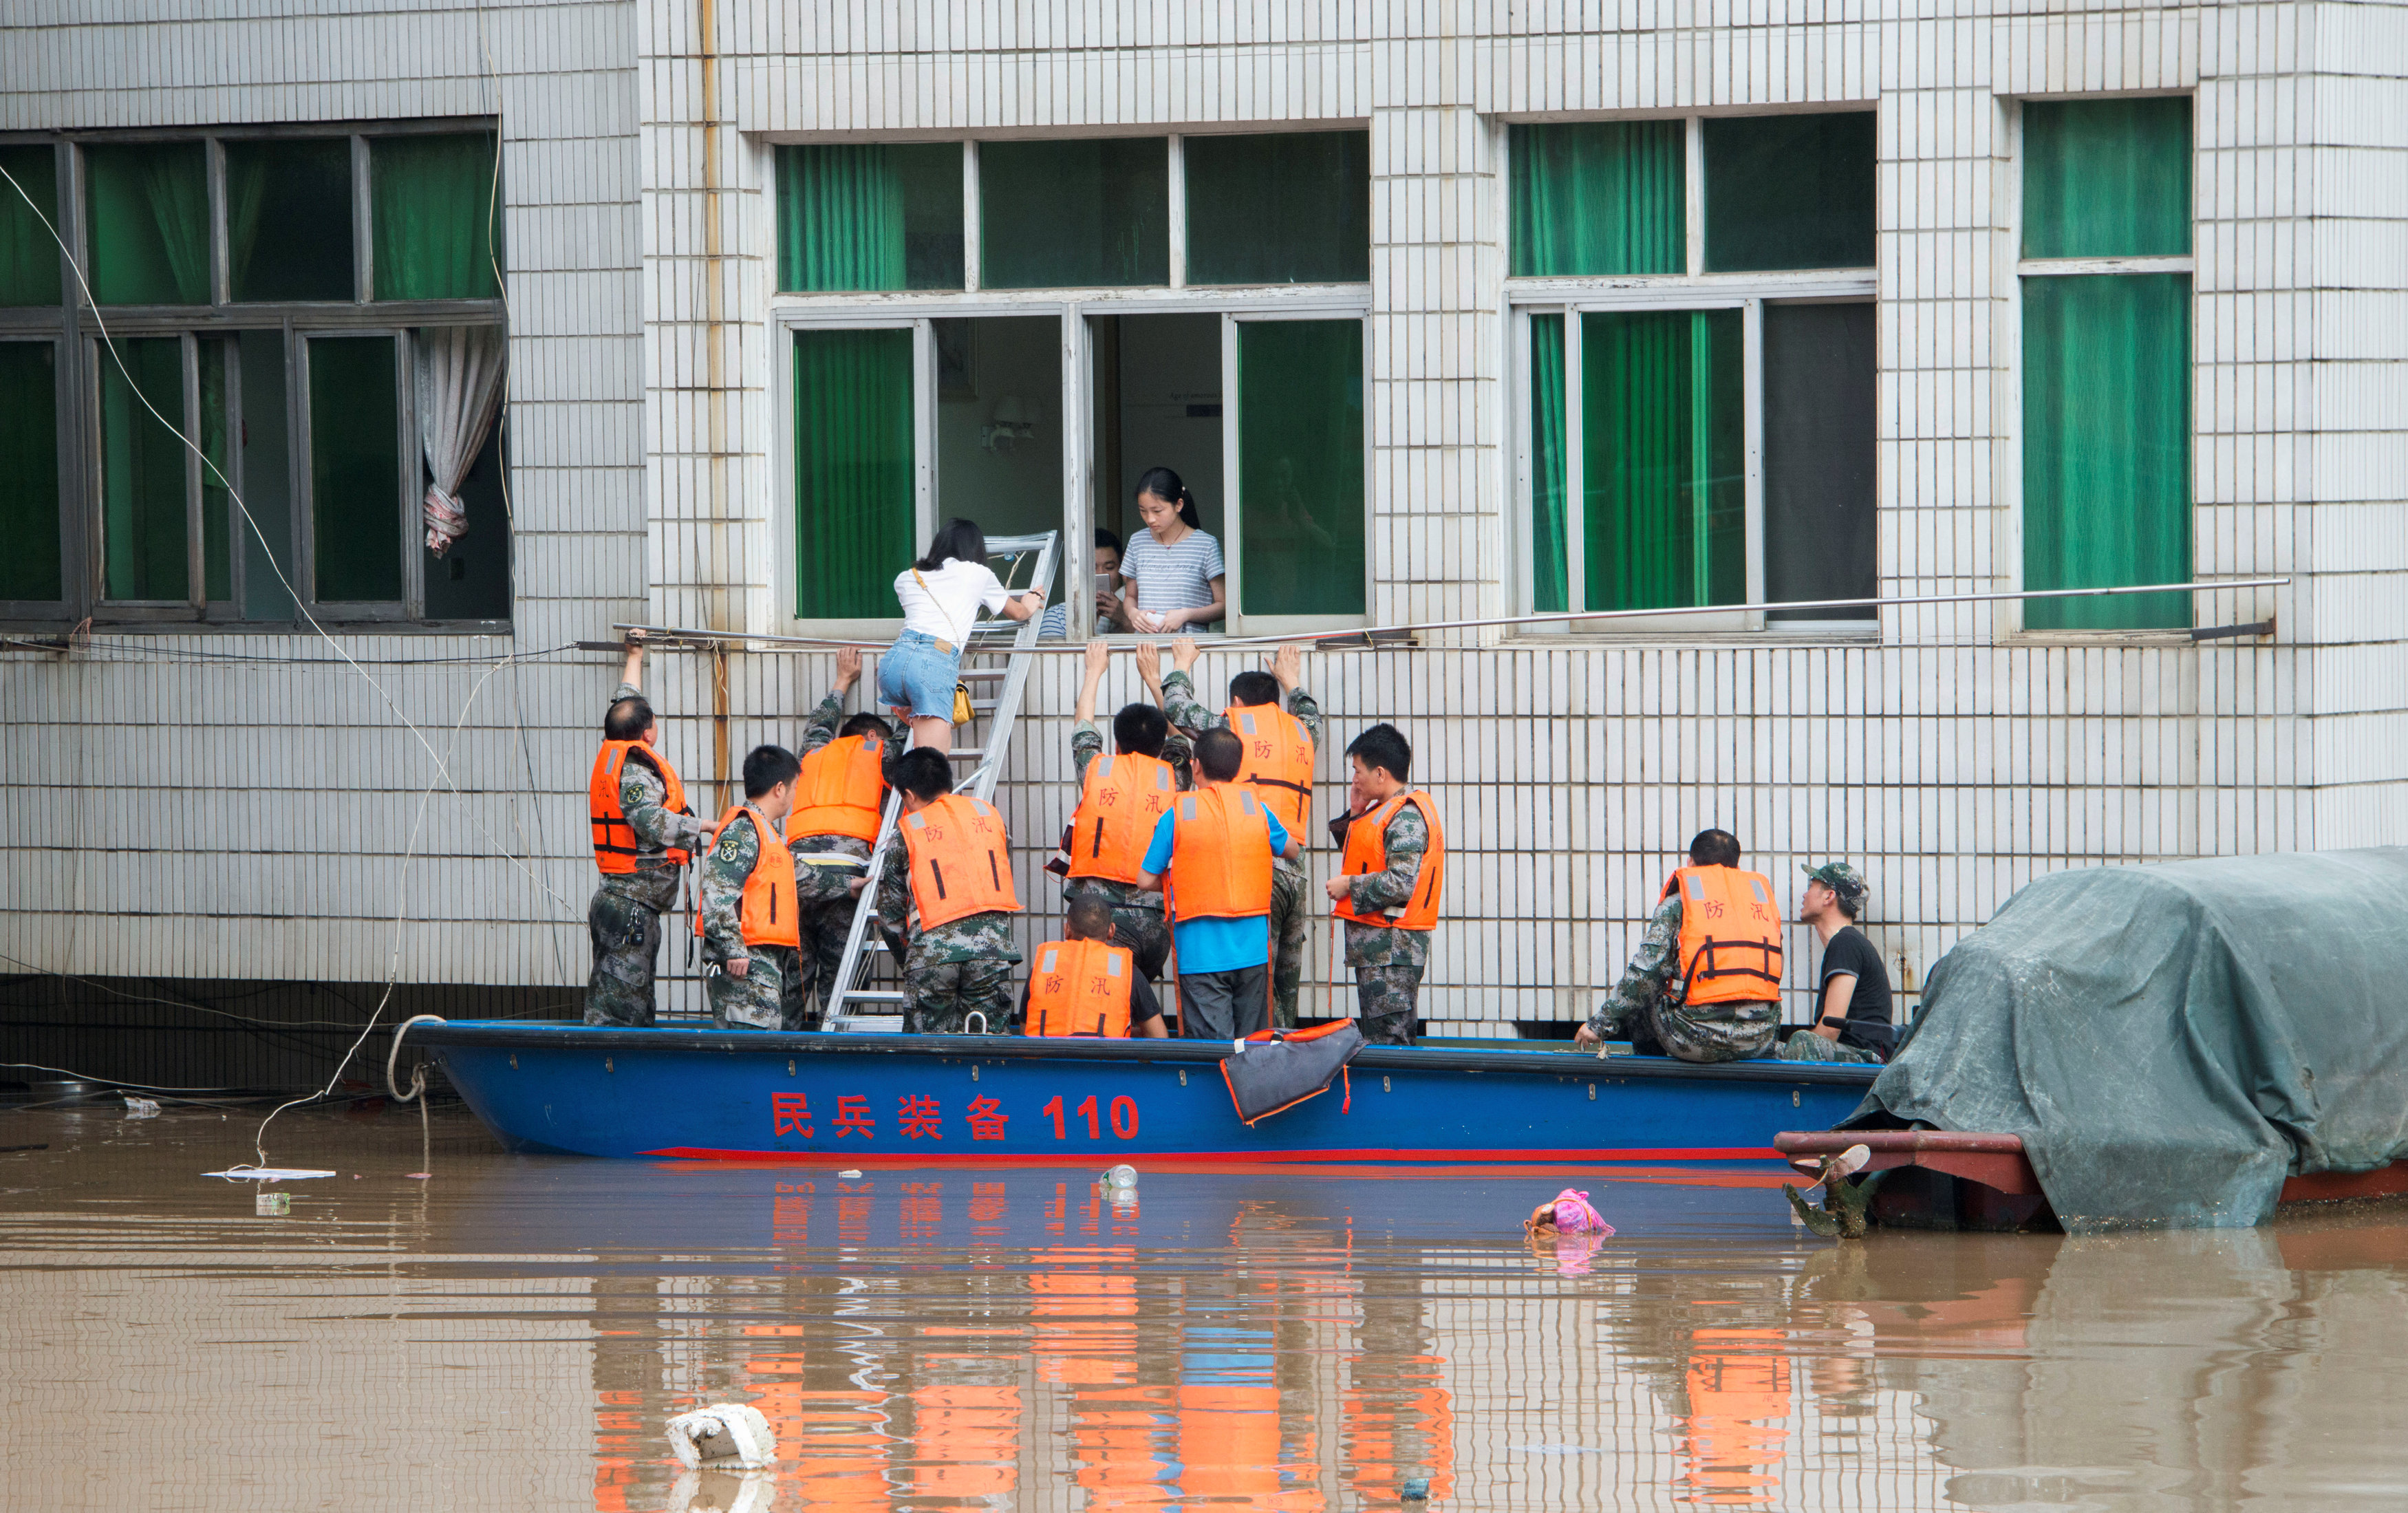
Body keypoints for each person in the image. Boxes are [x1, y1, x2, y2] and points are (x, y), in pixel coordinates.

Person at [1161, 637, 1319, 1027]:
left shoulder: (1232, 728)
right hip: (1294, 869)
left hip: (1253, 871)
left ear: (1235, 703)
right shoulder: (1302, 732)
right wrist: (1292, 681)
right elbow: (1312, 713)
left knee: (1259, 989)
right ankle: (1285, 1066)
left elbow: (1177, 707)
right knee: (1283, 985)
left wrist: (1182, 662)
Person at [584, 632, 720, 1027]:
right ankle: (608, 1077)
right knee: (618, 1014)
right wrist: (704, 827)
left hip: (630, 902)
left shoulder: (617, 744)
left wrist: (634, 656)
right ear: (648, 733)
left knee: (634, 1006)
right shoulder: (634, 771)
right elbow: (649, 819)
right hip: (629, 903)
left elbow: (624, 702)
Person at [1135, 727, 1301, 1040]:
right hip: (1253, 950)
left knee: (1212, 1052)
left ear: (1196, 766)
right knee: (1253, 1048)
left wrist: (1184, 880)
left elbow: (1144, 879)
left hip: (1200, 954)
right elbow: (1292, 849)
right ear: (1237, 769)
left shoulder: (1179, 813)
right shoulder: (1256, 809)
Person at [1573, 829, 1784, 1063]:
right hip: (1758, 1040)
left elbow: (1646, 974)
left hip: (1695, 1041)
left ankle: (1654, 1079)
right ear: (1736, 866)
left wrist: (1598, 1025)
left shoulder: (1679, 903)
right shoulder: (1760, 906)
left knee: (1645, 989)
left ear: (1691, 862)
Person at [863, 747, 1024, 1033]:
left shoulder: (908, 831)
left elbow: (889, 917)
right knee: (988, 1045)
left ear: (909, 795)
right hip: (991, 951)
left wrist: (912, 958)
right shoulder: (989, 815)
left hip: (931, 954)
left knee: (928, 1053)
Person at [1061, 639, 1188, 983]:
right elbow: (1180, 739)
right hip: (1156, 923)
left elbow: (1083, 728)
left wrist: (1093, 671)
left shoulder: (1097, 770)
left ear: (1116, 745)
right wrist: (1154, 677)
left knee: (1107, 1005)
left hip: (1105, 921)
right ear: (1161, 748)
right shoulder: (1174, 776)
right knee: (1137, 996)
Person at [786, 645, 897, 1027]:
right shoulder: (880, 752)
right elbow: (913, 738)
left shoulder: (813, 754)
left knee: (794, 985)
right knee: (840, 991)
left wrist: (842, 681)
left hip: (797, 879)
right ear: (870, 735)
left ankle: (788, 1056)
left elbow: (817, 724)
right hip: (846, 881)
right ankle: (833, 1056)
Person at [881, 518, 1046, 755]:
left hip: (894, 664)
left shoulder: (907, 577)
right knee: (931, 764)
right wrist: (1030, 601)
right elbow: (1018, 613)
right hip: (932, 665)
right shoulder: (977, 573)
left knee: (931, 747)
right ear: (974, 549)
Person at [1325, 723, 1444, 1046]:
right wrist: (1356, 812)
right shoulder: (1384, 811)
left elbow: (1401, 883)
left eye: (1358, 771)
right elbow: (1363, 853)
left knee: (1391, 1044)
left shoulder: (1405, 816)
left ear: (1380, 773)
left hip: (1391, 952)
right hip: (1381, 951)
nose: (1354, 778)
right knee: (1382, 1040)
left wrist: (1349, 885)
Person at [696, 745, 804, 1032]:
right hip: (744, 964)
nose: (795, 796)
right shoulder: (744, 831)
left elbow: (802, 876)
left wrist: (849, 885)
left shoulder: (767, 834)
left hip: (759, 963)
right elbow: (716, 893)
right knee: (750, 1052)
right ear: (780, 789)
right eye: (794, 788)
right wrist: (733, 949)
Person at [1777, 862, 1894, 1064]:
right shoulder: (1846, 942)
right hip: (1856, 1054)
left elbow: (1831, 1028)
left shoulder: (1846, 943)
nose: (1804, 895)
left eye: (1811, 887)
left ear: (1829, 896)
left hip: (1866, 1058)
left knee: (1802, 1042)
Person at [1020, 894, 1170, 1038]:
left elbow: (1025, 1032)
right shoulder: (1126, 971)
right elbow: (1159, 1036)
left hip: (1046, 1062)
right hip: (1106, 1063)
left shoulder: (1043, 968)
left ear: (1067, 930)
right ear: (1111, 930)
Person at [1118, 466, 1226, 634]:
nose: (1150, 519)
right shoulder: (1137, 542)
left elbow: (1224, 606)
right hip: (1146, 647)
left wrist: (1187, 614)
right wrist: (1133, 613)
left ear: (1178, 505)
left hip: (1190, 649)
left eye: (1157, 511)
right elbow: (1131, 597)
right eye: (1143, 511)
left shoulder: (1206, 545)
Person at [1038, 528, 1131, 638]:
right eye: (1092, 567)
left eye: (1109, 567)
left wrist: (1125, 620)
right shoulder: (1059, 616)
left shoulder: (1135, 613)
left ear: (1122, 569)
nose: (1100, 574)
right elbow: (1054, 655)